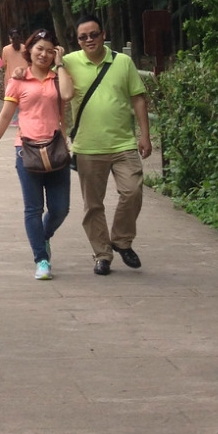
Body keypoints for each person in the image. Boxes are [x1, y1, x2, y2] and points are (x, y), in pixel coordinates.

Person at [62, 14, 151, 276]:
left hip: (123, 142)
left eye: (93, 34)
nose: (89, 40)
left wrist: (144, 135)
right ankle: (102, 254)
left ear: (103, 35)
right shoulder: (68, 62)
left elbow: (138, 98)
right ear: (77, 40)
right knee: (93, 205)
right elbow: (41, 72)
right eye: (83, 37)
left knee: (132, 191)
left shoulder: (122, 62)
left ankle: (121, 240)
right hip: (88, 146)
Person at [0, 29, 73, 280]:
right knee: (33, 208)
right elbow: (4, 115)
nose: (43, 54)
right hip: (26, 150)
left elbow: (67, 95)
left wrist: (61, 64)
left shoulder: (59, 77)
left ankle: (42, 237)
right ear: (29, 50)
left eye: (49, 49)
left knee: (60, 208)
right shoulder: (18, 80)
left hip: (56, 149)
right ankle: (41, 259)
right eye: (39, 48)